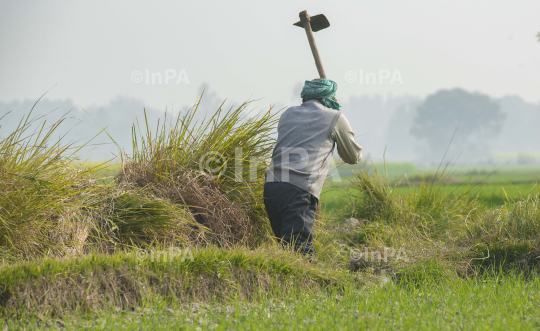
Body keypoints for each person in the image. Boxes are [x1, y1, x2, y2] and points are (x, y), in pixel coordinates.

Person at [264, 78, 362, 257]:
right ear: (331, 99)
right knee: (299, 250)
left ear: (305, 98)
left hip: (272, 186)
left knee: (285, 249)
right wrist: (338, 124)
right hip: (299, 190)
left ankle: (284, 283)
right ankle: (302, 285)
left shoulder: (288, 114)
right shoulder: (335, 117)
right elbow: (353, 157)